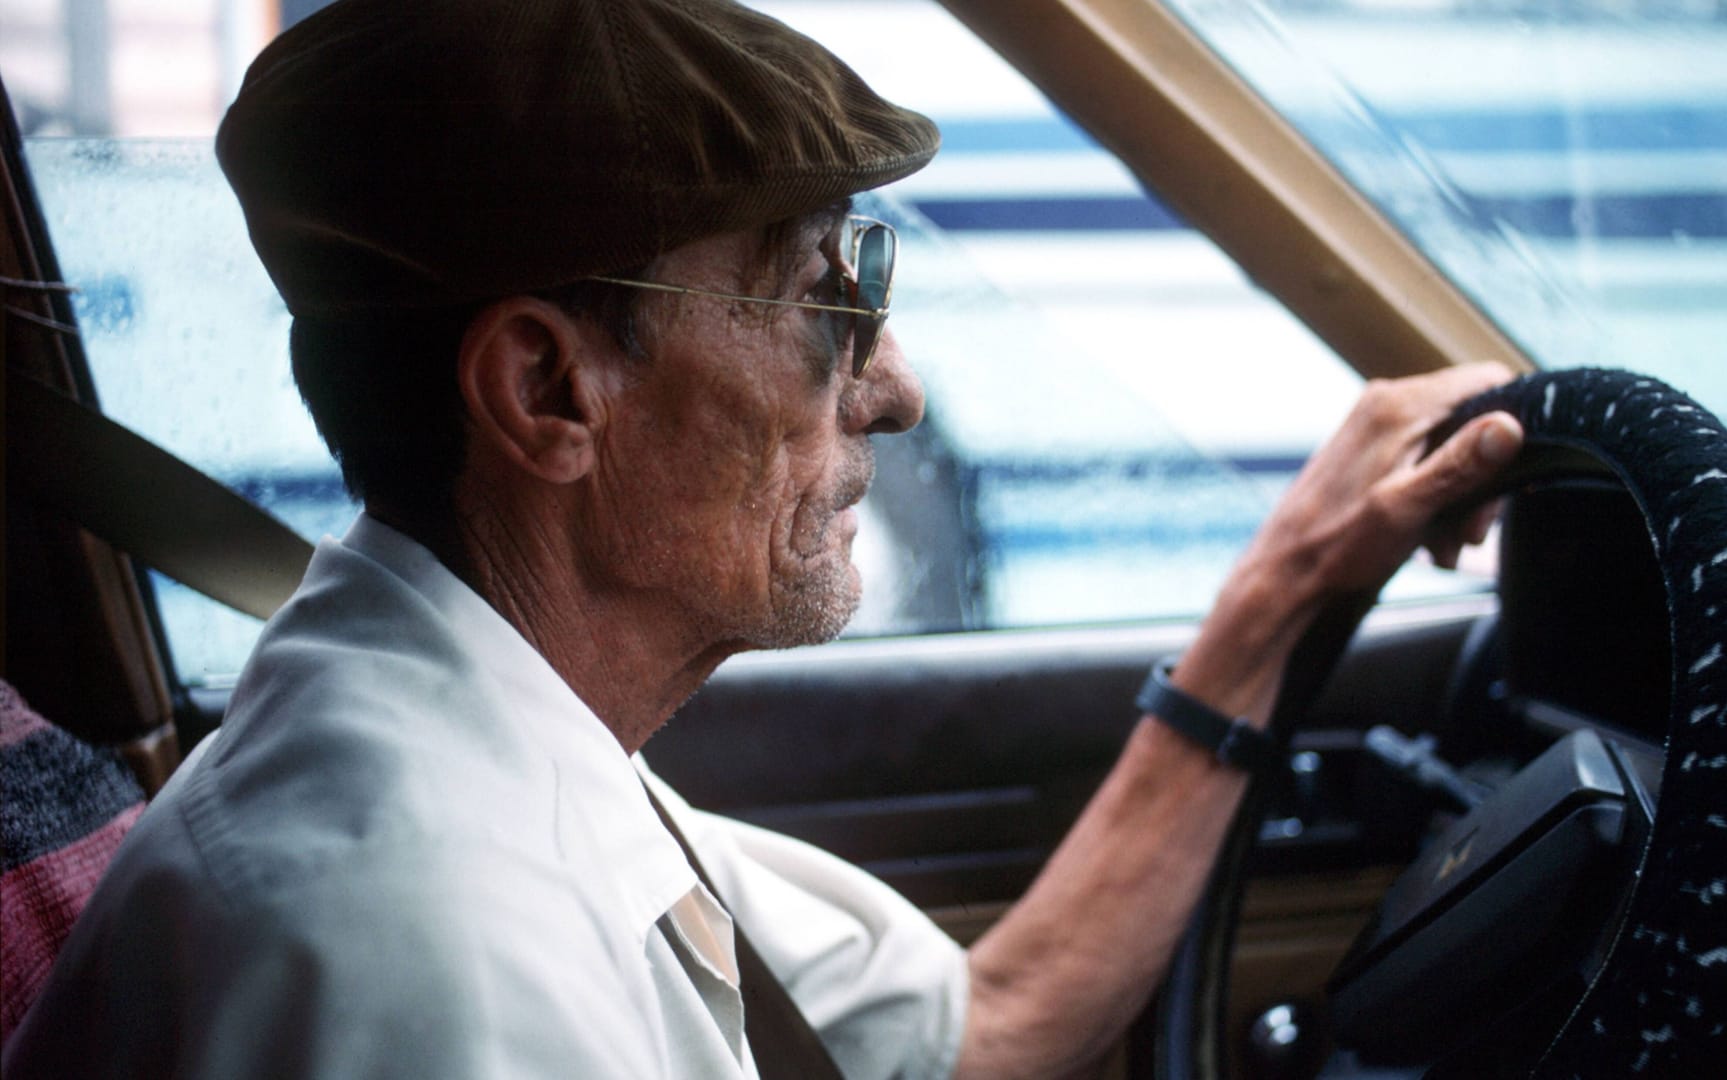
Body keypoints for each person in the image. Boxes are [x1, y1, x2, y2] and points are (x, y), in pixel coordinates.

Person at [0, 0, 1523, 1076]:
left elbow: (973, 1037)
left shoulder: (479, 722)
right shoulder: (425, 951)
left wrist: (1290, 589)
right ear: (548, 389)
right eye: (823, 301)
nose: (898, 391)